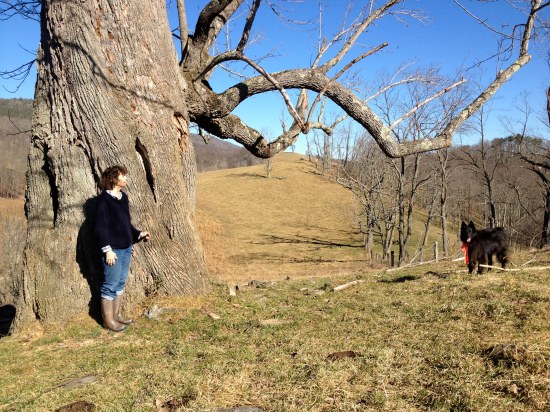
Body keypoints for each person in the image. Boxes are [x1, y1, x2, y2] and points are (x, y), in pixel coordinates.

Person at [95, 165, 150, 332]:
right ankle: (108, 321)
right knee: (110, 285)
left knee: (120, 283)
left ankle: (117, 315)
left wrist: (138, 234)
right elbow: (100, 228)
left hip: (126, 248)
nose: (126, 178)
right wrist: (107, 249)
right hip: (113, 251)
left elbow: (126, 224)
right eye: (123, 176)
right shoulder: (103, 201)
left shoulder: (123, 197)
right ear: (113, 179)